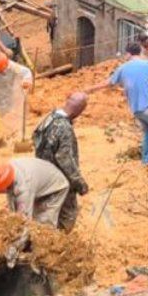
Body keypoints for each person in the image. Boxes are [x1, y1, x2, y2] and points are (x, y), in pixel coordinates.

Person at [88, 42, 148, 166]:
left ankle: (145, 160)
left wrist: (88, 89)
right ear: (140, 52)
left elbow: (107, 83)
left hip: (136, 110)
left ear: (128, 54)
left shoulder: (122, 68)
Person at [33, 92, 90, 231]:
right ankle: (58, 243)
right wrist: (79, 183)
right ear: (80, 111)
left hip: (42, 176)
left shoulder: (49, 118)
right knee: (67, 216)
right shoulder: (64, 128)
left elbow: (35, 138)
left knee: (44, 211)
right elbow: (64, 159)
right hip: (60, 180)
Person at [0, 157, 70, 229]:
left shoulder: (24, 189)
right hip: (41, 180)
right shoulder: (8, 170)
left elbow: (24, 222)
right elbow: (14, 207)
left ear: (6, 184)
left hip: (55, 188)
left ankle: (52, 244)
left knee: (42, 226)